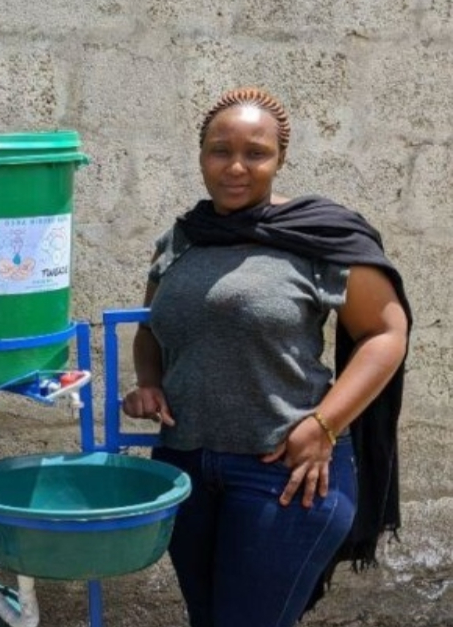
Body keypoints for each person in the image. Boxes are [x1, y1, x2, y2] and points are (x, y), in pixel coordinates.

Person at [121, 87, 411, 627]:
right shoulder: (183, 239)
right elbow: (152, 329)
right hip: (184, 466)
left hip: (283, 473)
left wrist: (324, 426)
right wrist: (149, 380)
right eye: (219, 150)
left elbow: (385, 333)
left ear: (280, 158)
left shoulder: (319, 237)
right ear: (200, 154)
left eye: (255, 153)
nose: (235, 166)